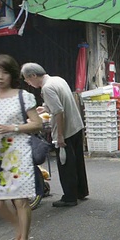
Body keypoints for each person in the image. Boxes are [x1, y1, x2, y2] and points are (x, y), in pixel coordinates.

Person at [0, 55, 43, 240]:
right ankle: (19, 229)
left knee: (20, 200)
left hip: (19, 152)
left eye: (4, 72)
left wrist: (12, 128)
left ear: (12, 74)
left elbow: (37, 124)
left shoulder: (23, 96)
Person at [21, 62, 89, 207]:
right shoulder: (58, 80)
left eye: (27, 79)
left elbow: (58, 111)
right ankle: (81, 191)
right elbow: (59, 102)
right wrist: (44, 108)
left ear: (33, 76)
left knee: (66, 165)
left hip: (66, 130)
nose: (28, 82)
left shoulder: (47, 88)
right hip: (76, 126)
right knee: (77, 162)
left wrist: (59, 136)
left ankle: (69, 198)